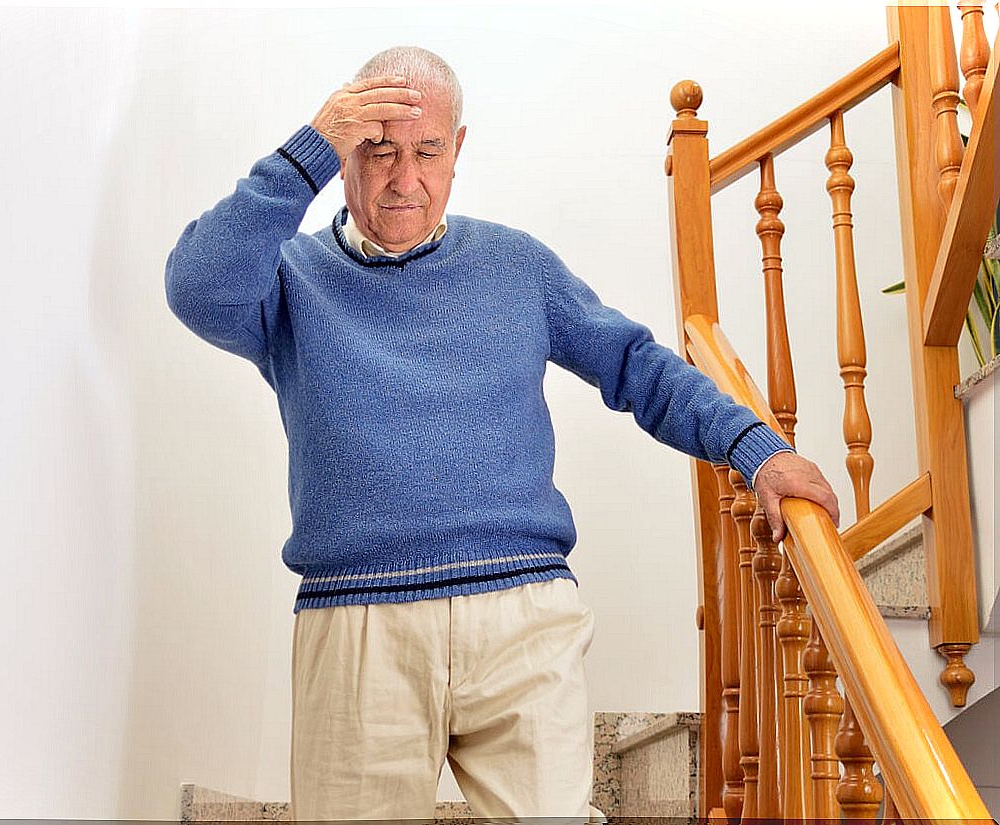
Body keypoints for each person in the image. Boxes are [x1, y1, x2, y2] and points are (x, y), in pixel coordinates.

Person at [164, 46, 840, 823]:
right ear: (346, 155)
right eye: (378, 150)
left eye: (425, 151)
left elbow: (638, 367)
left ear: (457, 151)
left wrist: (755, 447)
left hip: (522, 612)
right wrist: (310, 144)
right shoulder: (287, 279)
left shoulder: (517, 266)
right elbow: (195, 284)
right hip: (356, 626)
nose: (403, 179)